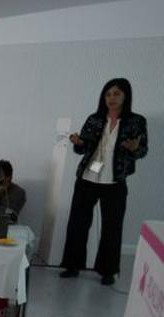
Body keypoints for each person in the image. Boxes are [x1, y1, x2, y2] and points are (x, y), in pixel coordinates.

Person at [60, 78, 148, 285]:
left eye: (116, 94)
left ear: (126, 95)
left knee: (112, 226)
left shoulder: (136, 121)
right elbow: (82, 148)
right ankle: (72, 265)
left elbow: (143, 150)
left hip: (115, 181)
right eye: (108, 94)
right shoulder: (95, 119)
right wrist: (78, 142)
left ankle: (107, 270)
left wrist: (135, 147)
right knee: (78, 224)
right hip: (88, 178)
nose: (112, 98)